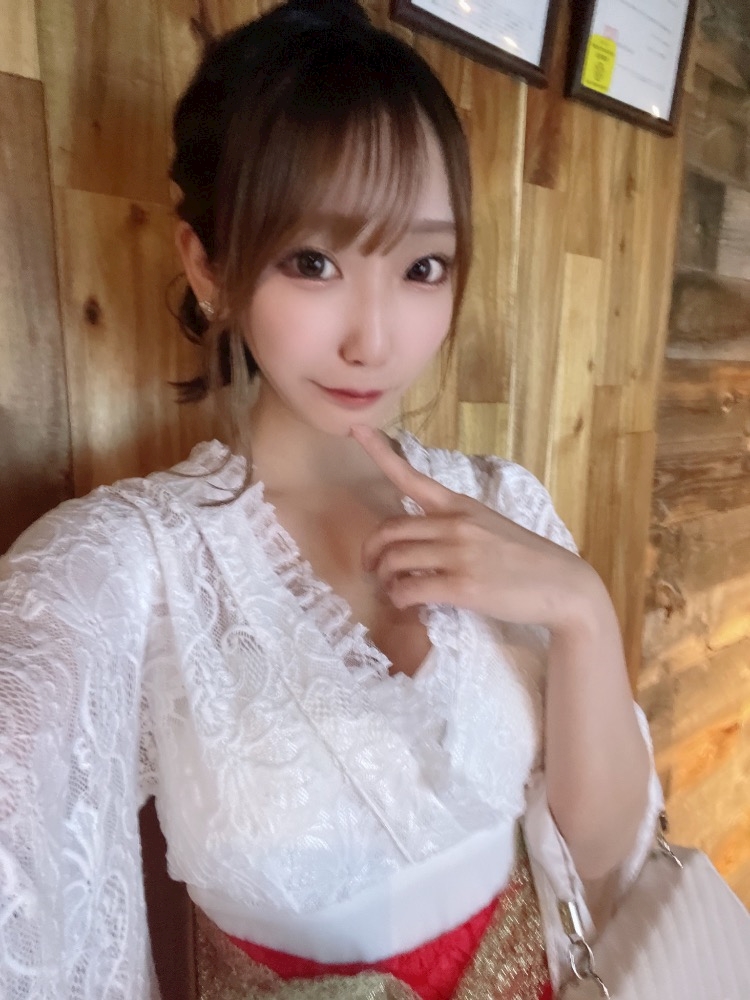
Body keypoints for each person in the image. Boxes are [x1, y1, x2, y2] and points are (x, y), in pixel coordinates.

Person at [0, 2, 663, 998]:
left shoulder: (505, 501)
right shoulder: (118, 568)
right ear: (209, 266)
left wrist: (582, 608)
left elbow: (602, 852)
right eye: (313, 262)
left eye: (422, 267)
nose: (374, 339)